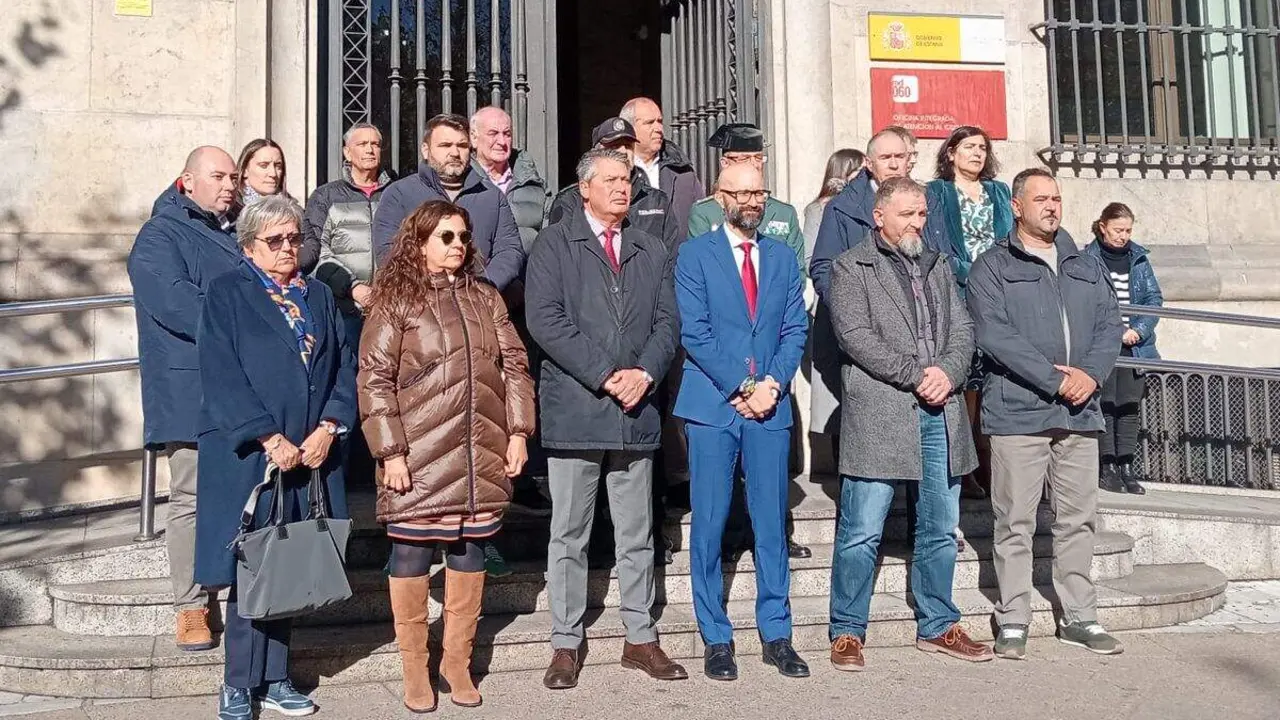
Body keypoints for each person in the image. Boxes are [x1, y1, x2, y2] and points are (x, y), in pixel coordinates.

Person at [358, 200, 536, 712]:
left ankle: (455, 662)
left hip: (480, 453)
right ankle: (415, 666)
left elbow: (515, 368)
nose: (458, 246)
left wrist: (519, 433)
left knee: (470, 552)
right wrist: (390, 452)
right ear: (419, 242)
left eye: (463, 237)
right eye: (446, 237)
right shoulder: (396, 300)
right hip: (418, 454)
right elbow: (374, 380)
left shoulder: (486, 298)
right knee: (411, 554)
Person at [192, 195, 357, 720]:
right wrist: (268, 437)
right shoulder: (227, 293)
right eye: (275, 241)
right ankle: (239, 682)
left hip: (312, 452)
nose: (289, 248)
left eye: (294, 239)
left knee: (291, 564)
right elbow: (221, 372)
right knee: (252, 567)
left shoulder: (318, 296)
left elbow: (343, 367)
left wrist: (330, 426)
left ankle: (278, 677)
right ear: (248, 248)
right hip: (253, 457)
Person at [526, 149, 686, 689]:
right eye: (613, 179)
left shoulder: (652, 247)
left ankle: (640, 637)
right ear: (585, 187)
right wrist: (607, 374)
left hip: (636, 411)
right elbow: (544, 320)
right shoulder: (555, 243)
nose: (623, 188)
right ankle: (566, 643)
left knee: (638, 531)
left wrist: (644, 372)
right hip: (578, 407)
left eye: (629, 179)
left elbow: (669, 321)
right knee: (569, 532)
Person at [824, 177, 992, 670]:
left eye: (921, 214)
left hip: (940, 411)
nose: (917, 223)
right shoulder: (850, 267)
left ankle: (938, 624)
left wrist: (949, 372)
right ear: (880, 217)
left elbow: (963, 328)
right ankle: (847, 630)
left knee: (940, 526)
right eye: (907, 214)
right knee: (861, 529)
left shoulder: (936, 265)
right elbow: (855, 336)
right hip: (881, 410)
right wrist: (918, 375)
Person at [966, 168, 1125, 660]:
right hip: (1019, 412)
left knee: (1078, 519)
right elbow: (993, 334)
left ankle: (1079, 615)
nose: (1052, 207)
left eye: (1057, 198)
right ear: (1016, 206)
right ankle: (1013, 617)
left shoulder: (1084, 263)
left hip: (1081, 412)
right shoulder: (991, 266)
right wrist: (1056, 379)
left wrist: (1090, 376)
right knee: (1014, 520)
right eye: (1041, 199)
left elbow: (1109, 324)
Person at [674, 163, 810, 681]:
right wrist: (743, 387)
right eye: (743, 192)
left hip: (770, 407)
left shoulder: (779, 257)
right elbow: (696, 332)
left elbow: (795, 327)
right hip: (713, 406)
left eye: (760, 191)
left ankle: (777, 633)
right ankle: (716, 636)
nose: (753, 201)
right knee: (708, 524)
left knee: (771, 523)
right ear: (719, 197)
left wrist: (773, 383)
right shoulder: (695, 255)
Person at [127, 146, 242, 653]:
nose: (229, 185)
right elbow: (174, 302)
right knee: (192, 498)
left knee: (241, 495)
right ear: (186, 181)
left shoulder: (229, 232)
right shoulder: (160, 233)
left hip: (235, 386)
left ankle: (238, 595)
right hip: (188, 389)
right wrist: (245, 316)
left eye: (233, 177)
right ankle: (191, 607)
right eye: (218, 176)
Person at [924, 125, 1014, 504]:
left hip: (999, 296)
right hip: (958, 294)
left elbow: (1009, 238)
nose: (977, 153)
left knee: (996, 379)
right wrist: (970, 272)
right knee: (966, 384)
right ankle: (969, 464)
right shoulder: (937, 192)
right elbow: (935, 245)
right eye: (969, 147)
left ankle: (995, 463)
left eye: (982, 147)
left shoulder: (998, 191)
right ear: (951, 153)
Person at [808, 130, 911, 461]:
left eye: (901, 157)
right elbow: (823, 268)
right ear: (869, 163)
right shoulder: (842, 209)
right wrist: (851, 315)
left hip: (912, 341)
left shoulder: (926, 202)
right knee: (861, 446)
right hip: (859, 339)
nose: (895, 164)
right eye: (886, 158)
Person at [372, 113, 525, 292]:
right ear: (425, 150)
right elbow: (388, 251)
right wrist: (430, 288)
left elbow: (510, 250)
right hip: (418, 302)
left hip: (479, 305)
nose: (455, 153)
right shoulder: (399, 193)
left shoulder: (491, 196)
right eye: (445, 145)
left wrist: (481, 288)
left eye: (462, 145)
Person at [1085, 202, 1162, 495]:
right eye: (1118, 230)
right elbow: (1086, 302)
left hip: (1135, 347)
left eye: (1128, 230)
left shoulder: (1139, 258)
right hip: (1103, 345)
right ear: (1103, 227)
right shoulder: (1088, 259)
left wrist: (1139, 330)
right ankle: (1107, 466)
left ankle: (1127, 465)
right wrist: (1115, 331)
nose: (1123, 236)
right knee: (1105, 405)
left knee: (1128, 406)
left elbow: (1154, 298)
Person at [304, 122, 392, 335]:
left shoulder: (395, 194)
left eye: (375, 144)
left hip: (390, 308)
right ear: (347, 152)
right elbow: (316, 250)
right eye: (362, 144)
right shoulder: (326, 196)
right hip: (343, 308)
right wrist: (352, 287)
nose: (370, 150)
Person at [546, 117, 680, 250]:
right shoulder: (570, 201)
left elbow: (671, 257)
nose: (623, 151)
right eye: (614, 146)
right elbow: (559, 253)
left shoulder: (657, 201)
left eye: (628, 146)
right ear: (595, 153)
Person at [689, 123, 806, 274]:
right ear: (725, 163)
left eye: (758, 158)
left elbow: (798, 271)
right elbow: (702, 268)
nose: (754, 164)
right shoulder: (705, 213)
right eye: (744, 158)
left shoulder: (784, 213)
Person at [620, 97, 704, 235]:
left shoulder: (682, 171)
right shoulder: (617, 171)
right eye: (649, 123)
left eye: (659, 121)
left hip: (679, 254)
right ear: (629, 128)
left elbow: (700, 218)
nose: (658, 128)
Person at [470, 105, 549, 252]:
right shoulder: (461, 183)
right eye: (493, 133)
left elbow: (549, 244)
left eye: (507, 134)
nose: (502, 141)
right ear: (474, 138)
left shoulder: (535, 187)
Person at [801, 148, 864, 264]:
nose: (865, 175)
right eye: (861, 170)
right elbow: (809, 258)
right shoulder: (818, 209)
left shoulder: (869, 203)